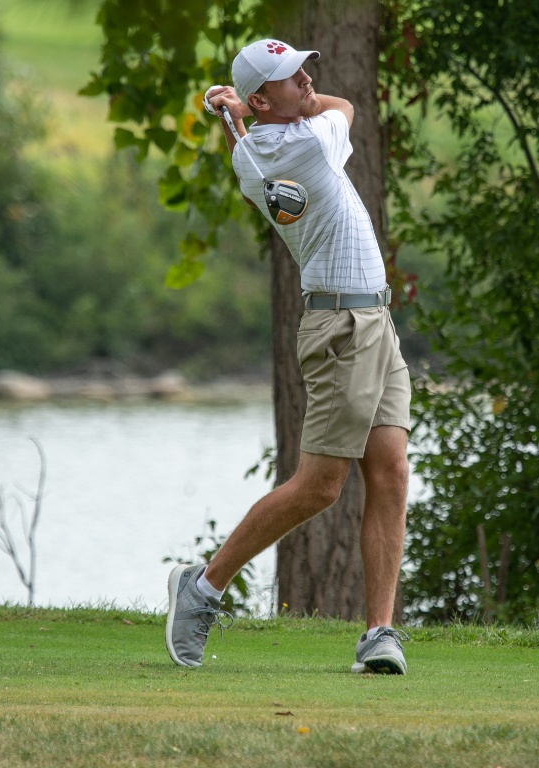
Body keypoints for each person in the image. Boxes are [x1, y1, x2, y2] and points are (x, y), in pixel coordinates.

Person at [165, 39, 412, 674]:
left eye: (302, 69)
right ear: (260, 98)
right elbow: (346, 105)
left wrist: (240, 117)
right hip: (341, 327)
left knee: (389, 470)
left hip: (372, 318)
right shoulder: (308, 140)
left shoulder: (256, 152)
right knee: (321, 487)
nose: (306, 81)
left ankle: (379, 634)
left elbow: (254, 149)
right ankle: (202, 589)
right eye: (288, 77)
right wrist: (253, 114)